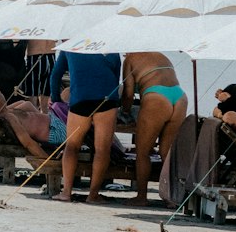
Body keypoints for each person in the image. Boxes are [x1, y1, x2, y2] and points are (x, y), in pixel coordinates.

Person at [49, 48, 122, 202]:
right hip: (107, 98)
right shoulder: (110, 46)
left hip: (80, 98)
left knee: (72, 146)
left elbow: (56, 75)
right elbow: (116, 76)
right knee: (102, 149)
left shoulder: (72, 45)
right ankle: (93, 195)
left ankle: (66, 192)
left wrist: (56, 99)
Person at [121, 52, 189, 205]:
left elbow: (128, 92)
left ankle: (141, 196)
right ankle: (172, 198)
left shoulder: (130, 59)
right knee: (167, 153)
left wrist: (124, 111)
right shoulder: (161, 55)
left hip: (156, 97)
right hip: (179, 96)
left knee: (143, 152)